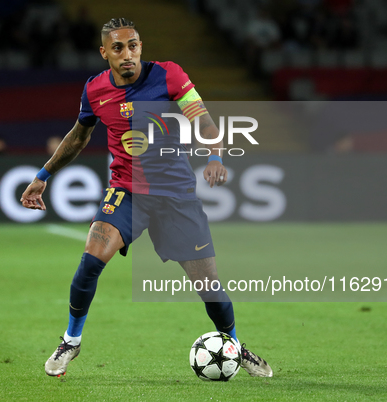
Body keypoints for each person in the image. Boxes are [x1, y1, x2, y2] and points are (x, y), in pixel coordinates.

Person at [20, 18, 272, 378]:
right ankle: (71, 340)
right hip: (127, 192)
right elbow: (78, 137)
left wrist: (215, 154)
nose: (128, 54)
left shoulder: (168, 76)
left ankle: (233, 345)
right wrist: (42, 176)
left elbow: (203, 120)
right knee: (90, 260)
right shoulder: (94, 90)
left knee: (208, 287)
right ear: (104, 52)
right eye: (119, 47)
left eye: (134, 45)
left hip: (176, 197)